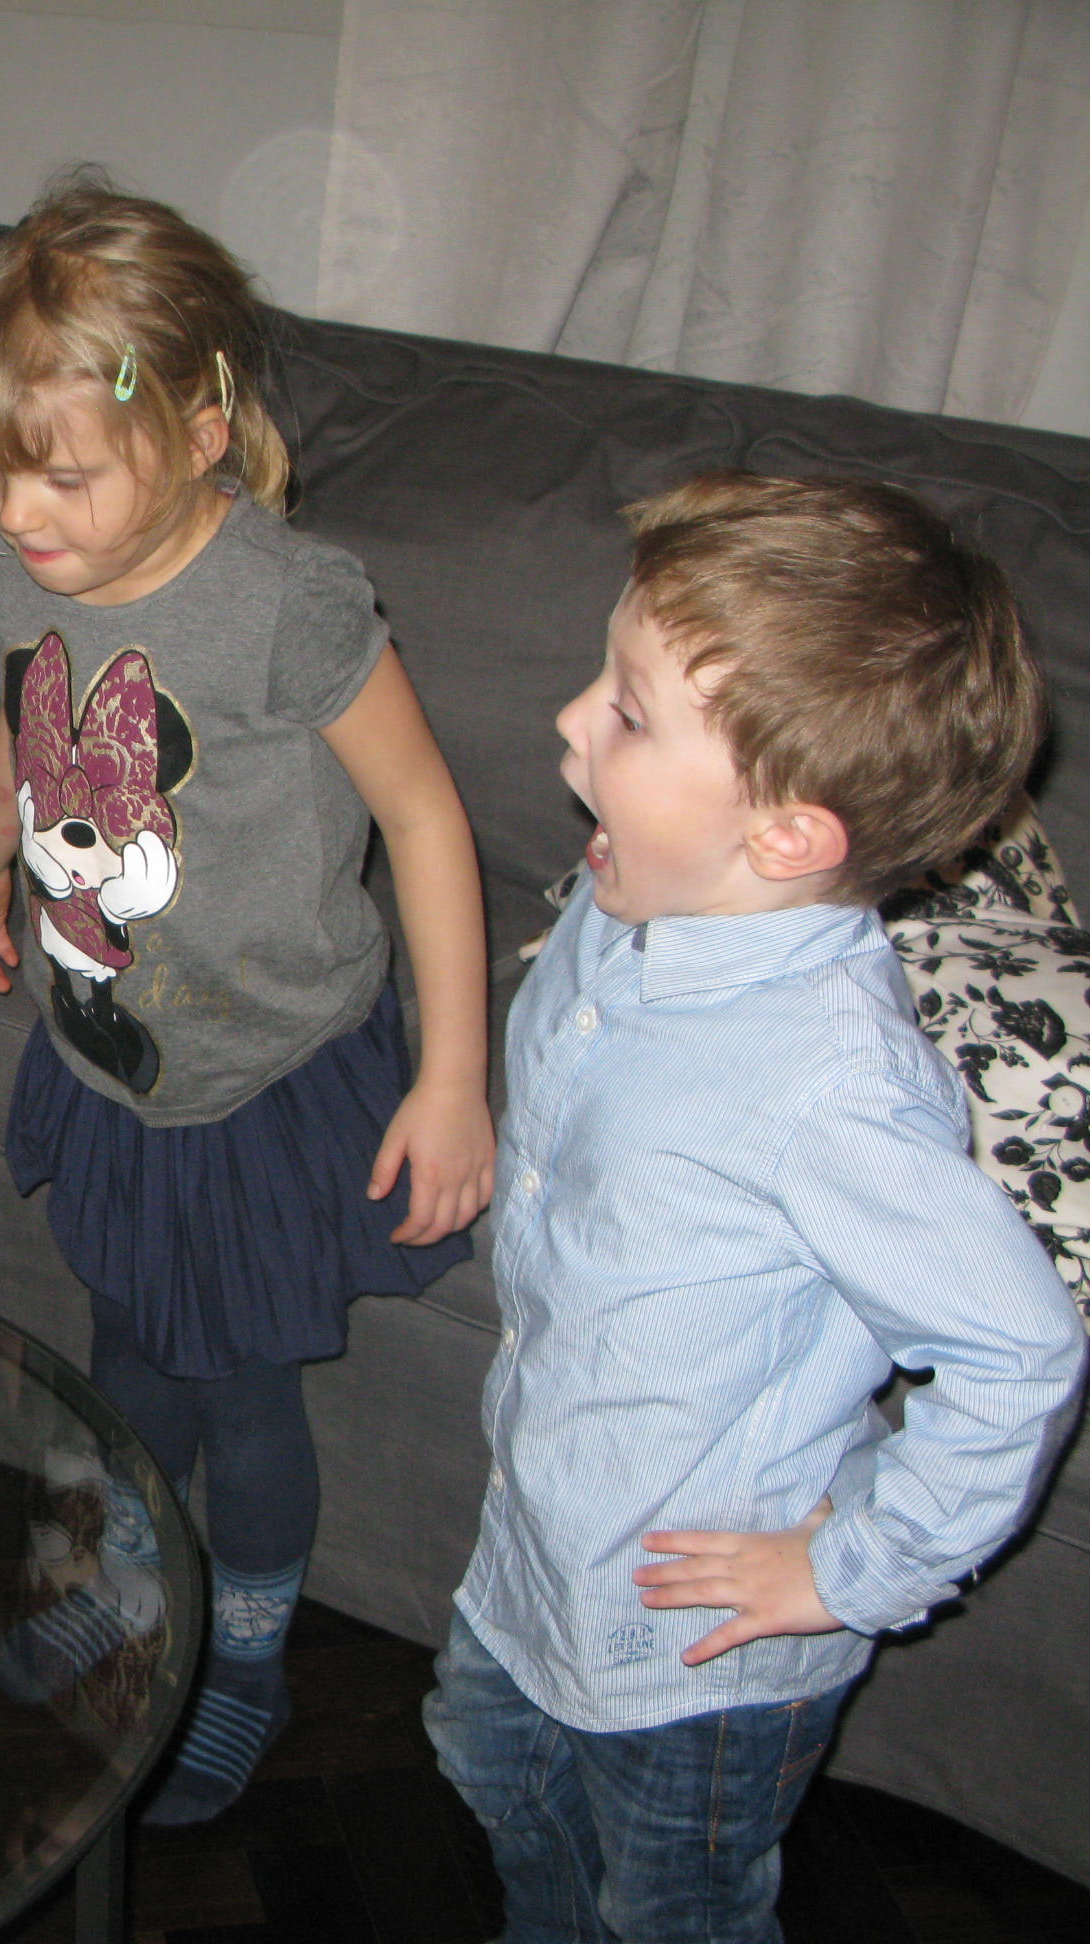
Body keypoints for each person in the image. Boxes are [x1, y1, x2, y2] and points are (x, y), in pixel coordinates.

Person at [0, 174, 495, 1823]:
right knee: (127, 1353)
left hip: (263, 1076)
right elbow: (24, 718)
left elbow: (426, 818)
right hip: (111, 1054)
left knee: (239, 1395)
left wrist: (452, 1079)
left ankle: (244, 1657)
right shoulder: (26, 557)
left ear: (201, 431)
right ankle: (130, 1585)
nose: (19, 511)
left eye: (64, 474)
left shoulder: (286, 604)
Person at [432, 472, 1086, 1943]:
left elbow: (1020, 1352)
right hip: (548, 1533)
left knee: (673, 1903)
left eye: (628, 713)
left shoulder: (834, 1093)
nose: (569, 721)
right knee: (486, 1764)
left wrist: (848, 1569)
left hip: (704, 1650)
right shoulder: (630, 901)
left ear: (787, 837)